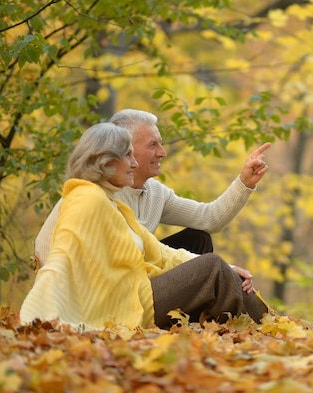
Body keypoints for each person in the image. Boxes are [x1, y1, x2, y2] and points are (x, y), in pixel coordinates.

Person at [20, 123, 269, 330]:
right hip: (122, 304)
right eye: (129, 154)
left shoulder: (115, 204)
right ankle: (254, 328)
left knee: (213, 261)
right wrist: (41, 311)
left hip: (135, 287)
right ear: (106, 161)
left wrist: (230, 267)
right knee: (212, 267)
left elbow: (166, 249)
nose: (135, 163)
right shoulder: (87, 198)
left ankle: (267, 323)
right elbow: (59, 256)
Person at [34, 109, 270, 267]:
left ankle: (200, 319)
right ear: (124, 147)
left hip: (139, 270)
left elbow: (209, 219)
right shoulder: (97, 193)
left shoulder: (155, 193)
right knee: (207, 267)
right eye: (153, 144)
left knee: (199, 240)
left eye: (161, 143)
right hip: (112, 285)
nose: (162, 152)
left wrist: (244, 183)